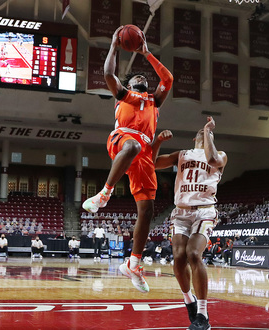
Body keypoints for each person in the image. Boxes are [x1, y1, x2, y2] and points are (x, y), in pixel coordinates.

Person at [82, 26, 173, 293]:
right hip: (122, 140)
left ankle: (133, 264)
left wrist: (147, 54)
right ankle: (105, 194)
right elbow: (109, 74)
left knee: (147, 211)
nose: (142, 78)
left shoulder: (154, 101)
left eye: (144, 77)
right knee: (132, 145)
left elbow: (167, 78)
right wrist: (113, 43)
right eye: (136, 78)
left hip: (143, 153)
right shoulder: (125, 96)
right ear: (130, 85)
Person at [152, 116, 227, 330]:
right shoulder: (182, 154)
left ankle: (203, 314)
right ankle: (189, 301)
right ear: (195, 139)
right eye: (202, 135)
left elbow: (212, 160)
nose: (205, 136)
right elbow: (154, 163)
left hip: (204, 211)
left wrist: (208, 132)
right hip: (181, 212)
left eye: (209, 135)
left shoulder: (220, 155)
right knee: (178, 258)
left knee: (194, 254)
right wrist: (157, 142)